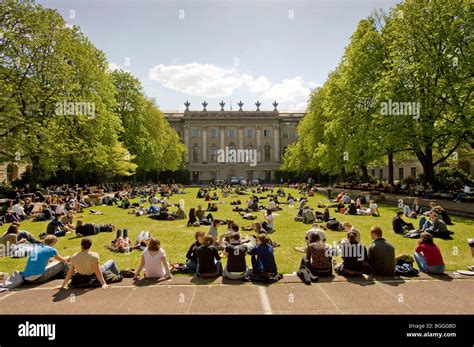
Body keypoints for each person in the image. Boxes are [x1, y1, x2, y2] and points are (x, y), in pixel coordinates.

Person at [55, 237, 120, 290]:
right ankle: (119, 274)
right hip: (92, 274)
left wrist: (63, 285)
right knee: (111, 261)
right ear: (90, 245)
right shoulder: (94, 256)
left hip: (81, 275)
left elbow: (70, 272)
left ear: (81, 245)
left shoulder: (74, 256)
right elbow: (98, 271)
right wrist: (103, 283)